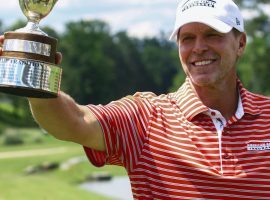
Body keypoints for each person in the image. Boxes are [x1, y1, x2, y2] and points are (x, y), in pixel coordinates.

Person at [1, 0, 270, 199]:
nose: (198, 47)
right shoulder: (146, 117)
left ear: (241, 44)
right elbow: (73, 121)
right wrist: (35, 78)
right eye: (187, 37)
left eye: (212, 34)